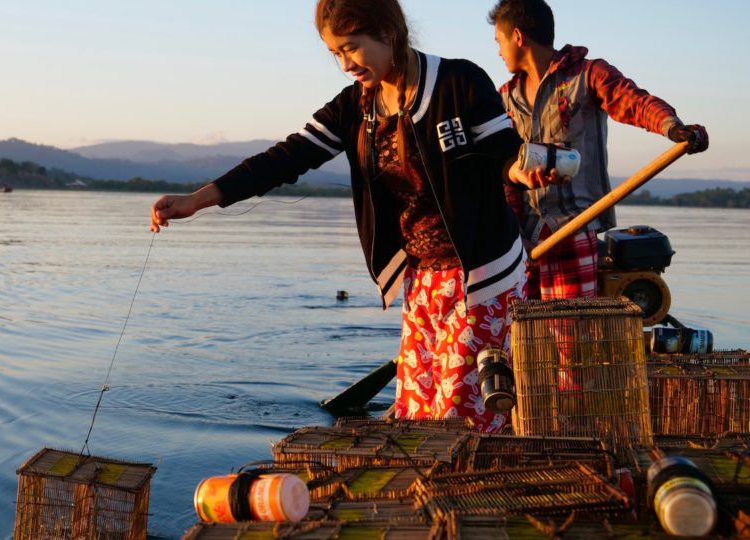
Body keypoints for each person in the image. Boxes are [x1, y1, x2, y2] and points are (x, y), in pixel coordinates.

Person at [150, 0, 527, 431]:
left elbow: (504, 157)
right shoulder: (355, 108)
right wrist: (198, 199)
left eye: (351, 48)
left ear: (388, 32)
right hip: (421, 279)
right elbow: (285, 157)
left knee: (463, 416)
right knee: (419, 414)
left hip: (483, 276)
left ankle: (467, 492)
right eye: (335, 54)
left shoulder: (458, 82)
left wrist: (524, 169)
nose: (345, 63)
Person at [488, 0, 709, 302]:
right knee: (522, 343)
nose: (498, 51)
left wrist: (673, 127)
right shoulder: (505, 98)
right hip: (525, 243)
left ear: (517, 36)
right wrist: (516, 237)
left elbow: (634, 101)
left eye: (499, 41)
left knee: (572, 342)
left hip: (574, 230)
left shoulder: (587, 75)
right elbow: (504, 172)